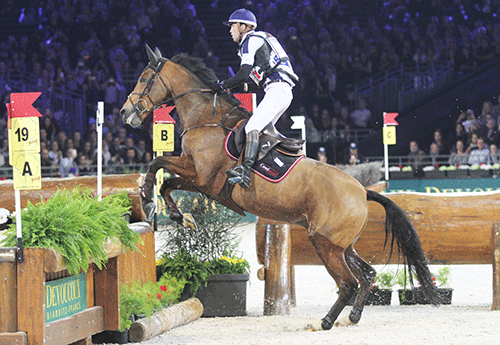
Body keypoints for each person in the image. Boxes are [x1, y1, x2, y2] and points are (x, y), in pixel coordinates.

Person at [210, 8, 299, 188]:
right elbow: (251, 76)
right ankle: (273, 169)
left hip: (277, 89)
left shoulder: (250, 40)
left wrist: (222, 85)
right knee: (263, 132)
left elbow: (243, 74)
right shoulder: (260, 39)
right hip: (279, 90)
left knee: (252, 126)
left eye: (232, 26)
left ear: (243, 26)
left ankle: (245, 170)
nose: (230, 30)